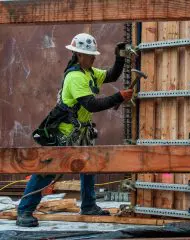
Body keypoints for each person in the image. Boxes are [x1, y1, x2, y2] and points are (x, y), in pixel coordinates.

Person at [16, 33, 133, 227]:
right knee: (47, 170)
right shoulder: (75, 77)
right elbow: (91, 105)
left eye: (93, 55)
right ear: (78, 55)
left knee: (88, 166)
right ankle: (25, 210)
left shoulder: (89, 72)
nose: (93, 58)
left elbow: (111, 75)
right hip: (66, 132)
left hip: (81, 131)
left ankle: (88, 205)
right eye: (90, 55)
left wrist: (119, 57)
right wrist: (118, 97)